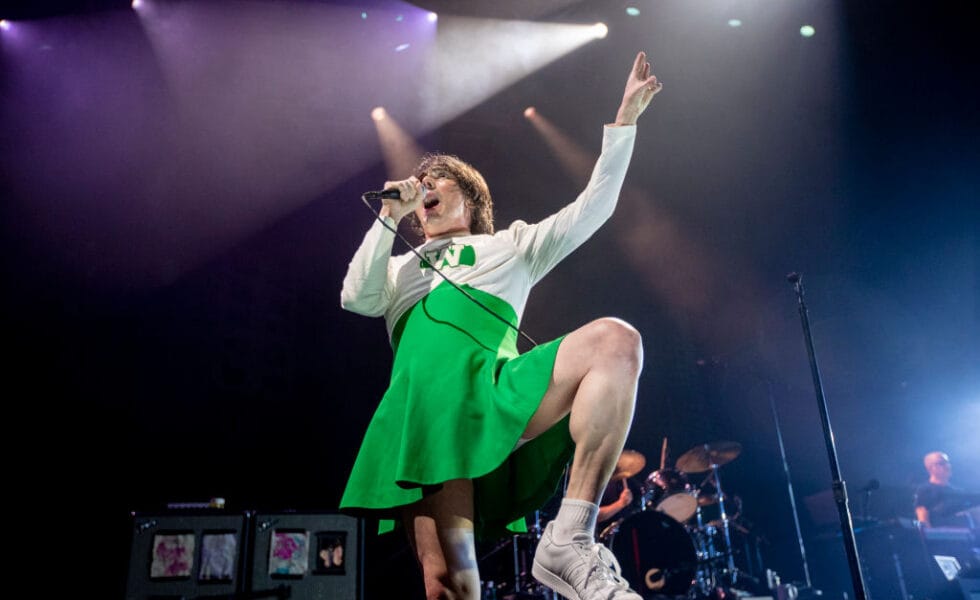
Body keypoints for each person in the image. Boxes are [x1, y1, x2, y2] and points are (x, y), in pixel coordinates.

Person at [339, 51, 662, 600]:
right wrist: (389, 218)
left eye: (437, 179)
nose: (425, 185)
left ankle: (571, 536)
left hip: (493, 394)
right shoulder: (397, 268)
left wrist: (624, 123)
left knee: (616, 340)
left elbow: (594, 208)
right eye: (420, 182)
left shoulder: (509, 246)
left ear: (470, 196)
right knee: (449, 584)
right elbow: (356, 298)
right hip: (425, 414)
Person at [914, 451, 975, 528]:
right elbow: (923, 519)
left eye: (948, 462)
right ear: (930, 468)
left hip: (962, 537)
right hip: (940, 537)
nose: (947, 466)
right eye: (942, 463)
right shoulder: (924, 490)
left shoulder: (957, 491)